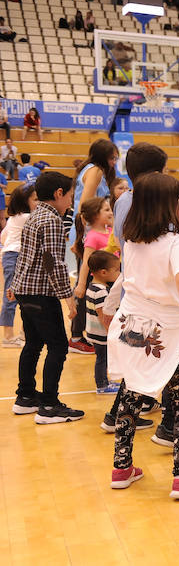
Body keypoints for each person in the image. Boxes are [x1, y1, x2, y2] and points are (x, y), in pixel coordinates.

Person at [107, 173, 179, 498]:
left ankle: (121, 467)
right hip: (165, 330)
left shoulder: (132, 239)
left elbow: (157, 283)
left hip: (133, 322)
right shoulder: (175, 242)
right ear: (166, 205)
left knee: (131, 391)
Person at [10, 171, 82, 423]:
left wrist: (15, 284)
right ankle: (49, 406)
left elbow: (26, 255)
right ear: (58, 193)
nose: (71, 201)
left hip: (26, 289)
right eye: (70, 195)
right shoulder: (51, 221)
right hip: (41, 293)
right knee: (58, 346)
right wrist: (68, 298)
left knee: (33, 343)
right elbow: (53, 263)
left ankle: (26, 396)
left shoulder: (34, 215)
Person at [0, 185, 35, 347]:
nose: (39, 203)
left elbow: (3, 236)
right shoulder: (27, 217)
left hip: (12, 256)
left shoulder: (14, 218)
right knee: (13, 296)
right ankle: (8, 336)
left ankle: (22, 333)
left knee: (22, 296)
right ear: (25, 201)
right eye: (35, 199)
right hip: (15, 257)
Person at [85, 250, 121, 394]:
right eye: (116, 270)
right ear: (104, 272)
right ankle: (102, 385)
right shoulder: (101, 291)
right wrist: (111, 332)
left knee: (101, 357)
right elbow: (103, 315)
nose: (119, 273)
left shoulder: (92, 287)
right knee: (102, 358)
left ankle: (104, 381)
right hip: (101, 333)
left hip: (94, 331)